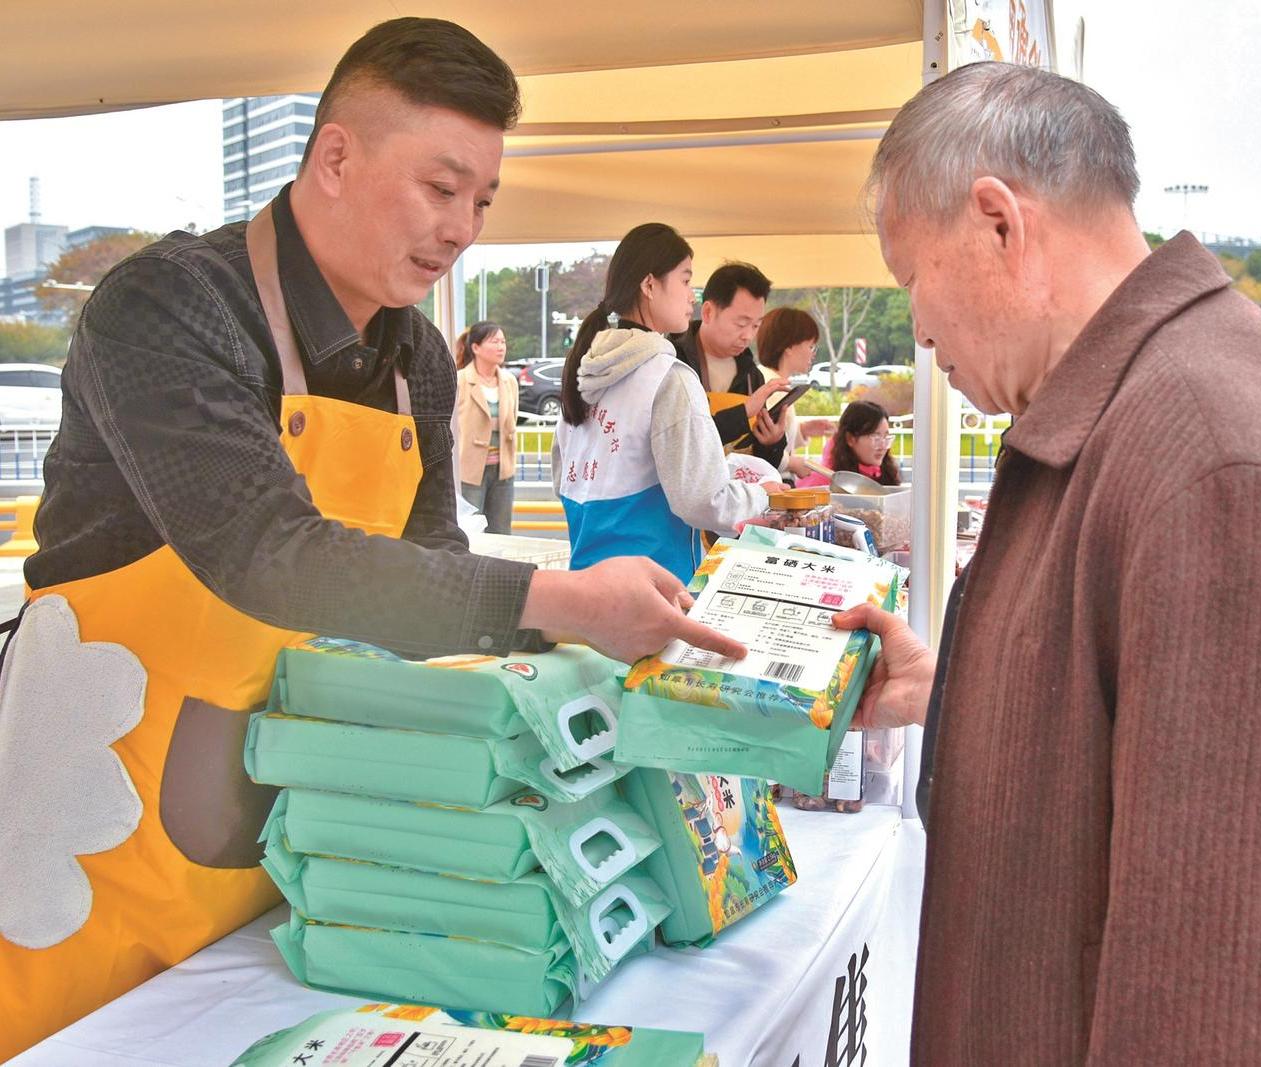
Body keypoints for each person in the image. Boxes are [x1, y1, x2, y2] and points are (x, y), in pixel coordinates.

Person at [0, 19, 745, 1059]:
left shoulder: (419, 360)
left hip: (296, 821)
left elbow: (429, 578)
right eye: (440, 188)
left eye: (482, 200)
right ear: (335, 157)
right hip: (98, 815)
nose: (463, 228)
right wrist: (560, 599)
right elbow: (270, 550)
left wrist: (586, 660)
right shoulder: (172, 307)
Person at [832, 61, 1261, 1063]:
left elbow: (1232, 973)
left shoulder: (1212, 451)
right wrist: (957, 688)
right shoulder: (1149, 405)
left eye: (911, 277)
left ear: (998, 223)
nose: (919, 328)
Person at [555, 224, 783, 582]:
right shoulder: (669, 376)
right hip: (658, 591)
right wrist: (764, 496)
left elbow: (564, 479)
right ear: (649, 285)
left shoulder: (583, 374)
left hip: (588, 587)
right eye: (685, 280)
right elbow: (702, 500)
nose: (691, 296)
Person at [669, 261, 790, 469]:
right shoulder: (674, 362)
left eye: (756, 325)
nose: (748, 336)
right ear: (708, 312)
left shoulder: (752, 376)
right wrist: (743, 413)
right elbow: (679, 442)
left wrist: (773, 442)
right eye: (741, 324)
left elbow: (762, 467)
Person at [754, 306, 836, 479]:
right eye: (811, 346)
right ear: (789, 346)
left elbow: (779, 436)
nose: (813, 354)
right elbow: (760, 444)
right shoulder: (770, 386)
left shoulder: (773, 381)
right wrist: (792, 463)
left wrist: (803, 430)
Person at [454, 320, 517, 534]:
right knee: (471, 532)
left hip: (502, 471)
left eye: (503, 341)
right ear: (476, 348)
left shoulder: (509, 381)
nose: (501, 347)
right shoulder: (460, 380)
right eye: (494, 341)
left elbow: (512, 424)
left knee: (501, 532)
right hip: (471, 470)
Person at [796, 400, 901, 488]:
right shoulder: (823, 483)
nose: (883, 446)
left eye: (886, 437)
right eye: (875, 437)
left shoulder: (888, 473)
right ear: (850, 438)